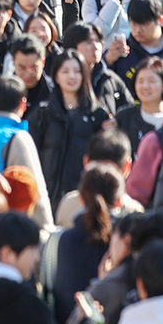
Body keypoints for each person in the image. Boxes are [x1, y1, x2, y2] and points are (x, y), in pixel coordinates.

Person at [30, 50, 114, 208]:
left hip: (83, 196)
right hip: (46, 194)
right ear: (56, 76)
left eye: (77, 71)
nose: (72, 76)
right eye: (65, 71)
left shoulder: (97, 115)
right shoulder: (43, 113)